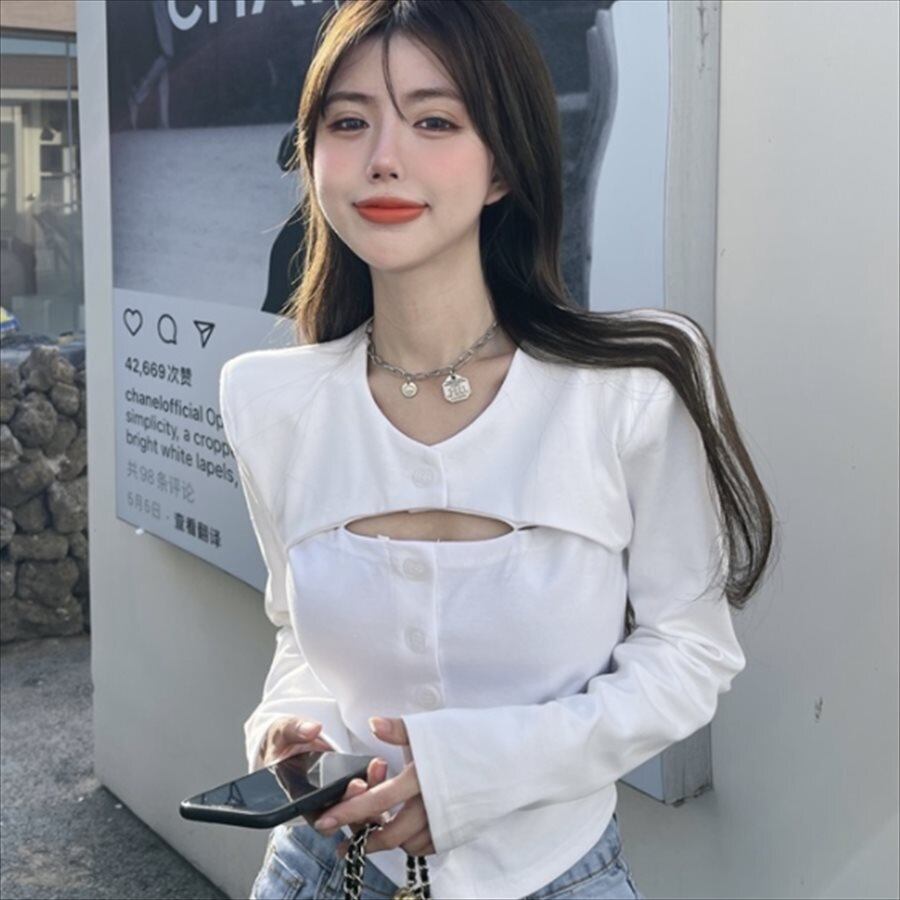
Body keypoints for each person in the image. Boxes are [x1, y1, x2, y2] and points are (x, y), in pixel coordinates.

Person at [218, 2, 777, 898]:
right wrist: (288, 727)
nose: (383, 158)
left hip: (557, 876)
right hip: (323, 873)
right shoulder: (270, 400)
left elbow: (689, 653)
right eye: (349, 123)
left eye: (435, 121)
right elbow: (298, 631)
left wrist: (473, 777)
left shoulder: (630, 389)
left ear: (504, 166)